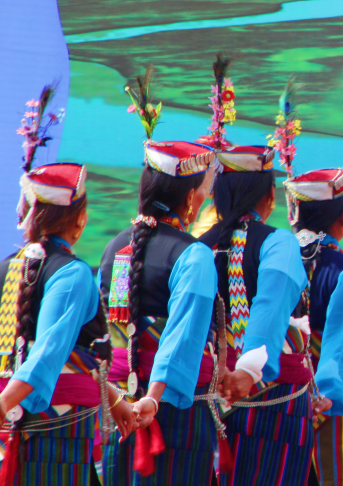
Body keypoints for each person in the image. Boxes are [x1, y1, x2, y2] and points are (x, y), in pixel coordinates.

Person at [0, 162, 131, 484]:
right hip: (55, 426)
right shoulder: (73, 273)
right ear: (80, 219)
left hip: (11, 421)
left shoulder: (7, 268)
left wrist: (114, 399)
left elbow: (61, 354)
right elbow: (49, 351)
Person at [100, 140, 220, 485]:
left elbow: (112, 328)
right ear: (189, 198)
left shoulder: (115, 248)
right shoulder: (194, 255)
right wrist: (153, 398)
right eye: (202, 191)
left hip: (119, 408)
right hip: (172, 414)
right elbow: (182, 335)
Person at [197, 145, 316, 486]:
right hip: (272, 402)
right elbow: (271, 305)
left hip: (211, 397)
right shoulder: (278, 243)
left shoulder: (198, 247)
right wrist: (249, 370)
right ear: (269, 197)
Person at [283, 168, 343, 486]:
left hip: (286, 397)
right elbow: (342, 345)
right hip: (337, 405)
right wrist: (324, 401)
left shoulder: (278, 261)